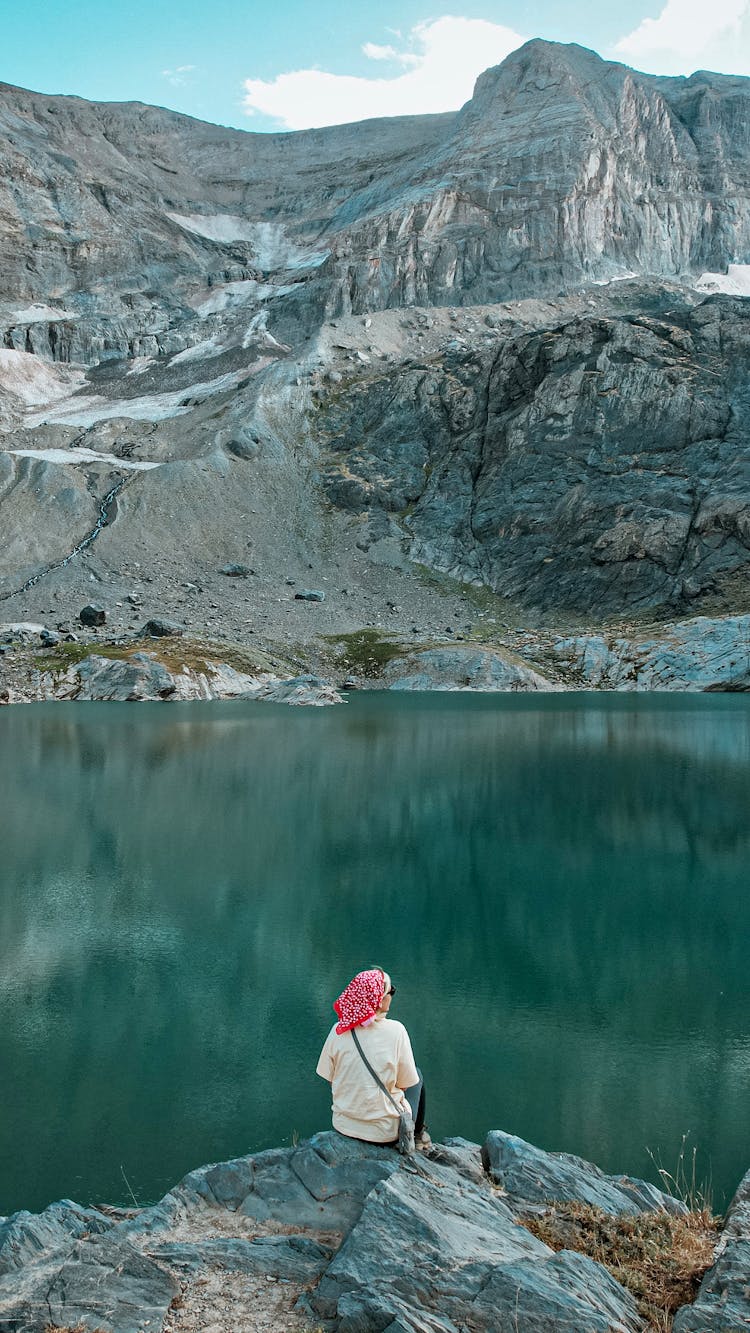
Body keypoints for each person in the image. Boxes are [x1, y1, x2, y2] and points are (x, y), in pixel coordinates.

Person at [316, 965, 430, 1148]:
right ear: (379, 999)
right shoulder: (397, 1031)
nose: (392, 995)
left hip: (343, 1125)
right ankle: (417, 1136)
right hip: (385, 1132)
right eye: (390, 991)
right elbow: (406, 1083)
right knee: (417, 1076)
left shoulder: (338, 1030)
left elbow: (330, 1078)